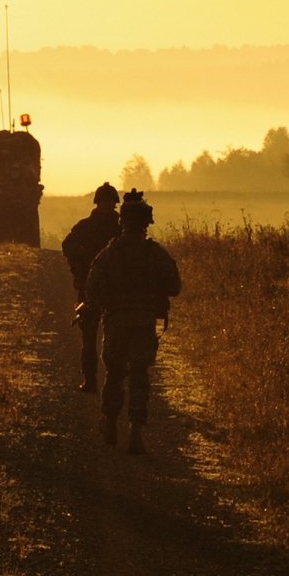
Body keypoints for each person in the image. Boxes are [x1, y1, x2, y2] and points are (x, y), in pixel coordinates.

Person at [82, 189, 181, 453]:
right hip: (145, 321)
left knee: (114, 373)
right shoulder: (156, 254)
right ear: (147, 223)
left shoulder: (110, 253)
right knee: (139, 375)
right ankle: (135, 430)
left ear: (122, 221)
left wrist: (104, 303)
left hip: (116, 320)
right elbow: (175, 286)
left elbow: (91, 287)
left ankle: (110, 421)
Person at [61, 182, 122, 393]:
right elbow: (67, 246)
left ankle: (112, 382)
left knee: (116, 341)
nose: (108, 205)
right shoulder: (87, 227)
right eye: (105, 202)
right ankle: (90, 380)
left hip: (115, 291)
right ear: (98, 203)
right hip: (90, 289)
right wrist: (82, 259)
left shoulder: (121, 229)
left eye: (110, 202)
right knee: (89, 339)